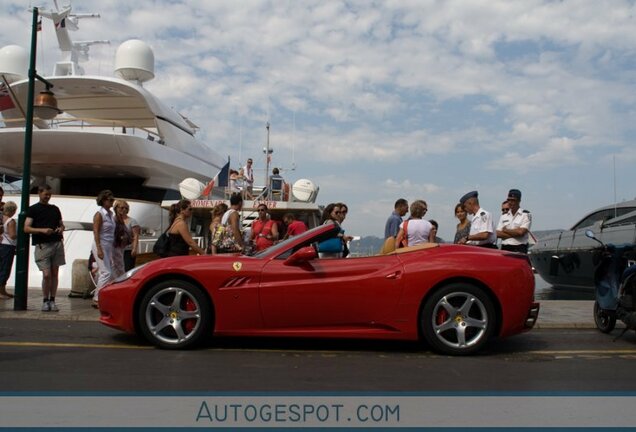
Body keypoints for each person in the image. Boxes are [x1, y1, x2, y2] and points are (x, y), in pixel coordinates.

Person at [24, 184, 66, 312]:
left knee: (55, 273)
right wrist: (42, 230)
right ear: (39, 193)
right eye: (45, 194)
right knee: (46, 274)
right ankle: (45, 299)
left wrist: (60, 229)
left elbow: (61, 224)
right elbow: (26, 228)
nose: (47, 197)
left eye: (49, 194)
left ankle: (52, 299)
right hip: (43, 245)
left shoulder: (55, 209)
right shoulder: (33, 210)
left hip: (56, 242)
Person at [91, 189, 116, 305]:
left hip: (108, 246)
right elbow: (96, 232)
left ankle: (104, 296)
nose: (112, 202)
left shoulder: (110, 214)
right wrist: (99, 248)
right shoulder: (99, 214)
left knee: (109, 272)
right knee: (106, 272)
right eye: (110, 200)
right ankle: (97, 298)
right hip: (101, 244)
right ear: (104, 200)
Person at [497, 189, 532, 253]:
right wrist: (515, 233)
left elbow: (521, 232)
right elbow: (498, 233)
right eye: (508, 200)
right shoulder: (503, 216)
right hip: (505, 248)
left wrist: (505, 230)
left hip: (519, 248)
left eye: (513, 200)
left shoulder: (525, 214)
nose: (510, 202)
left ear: (519, 201)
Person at [113, 200, 140, 273]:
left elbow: (136, 235)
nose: (124, 210)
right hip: (115, 249)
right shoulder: (113, 220)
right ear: (116, 208)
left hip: (127, 250)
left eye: (126, 208)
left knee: (128, 270)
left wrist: (134, 249)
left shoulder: (132, 221)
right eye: (122, 208)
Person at [0, 201, 18, 299]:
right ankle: (1, 291)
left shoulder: (2, 219)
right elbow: (12, 235)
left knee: (1, 267)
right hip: (9, 247)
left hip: (2, 245)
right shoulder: (11, 221)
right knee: (5, 268)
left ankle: (3, 290)